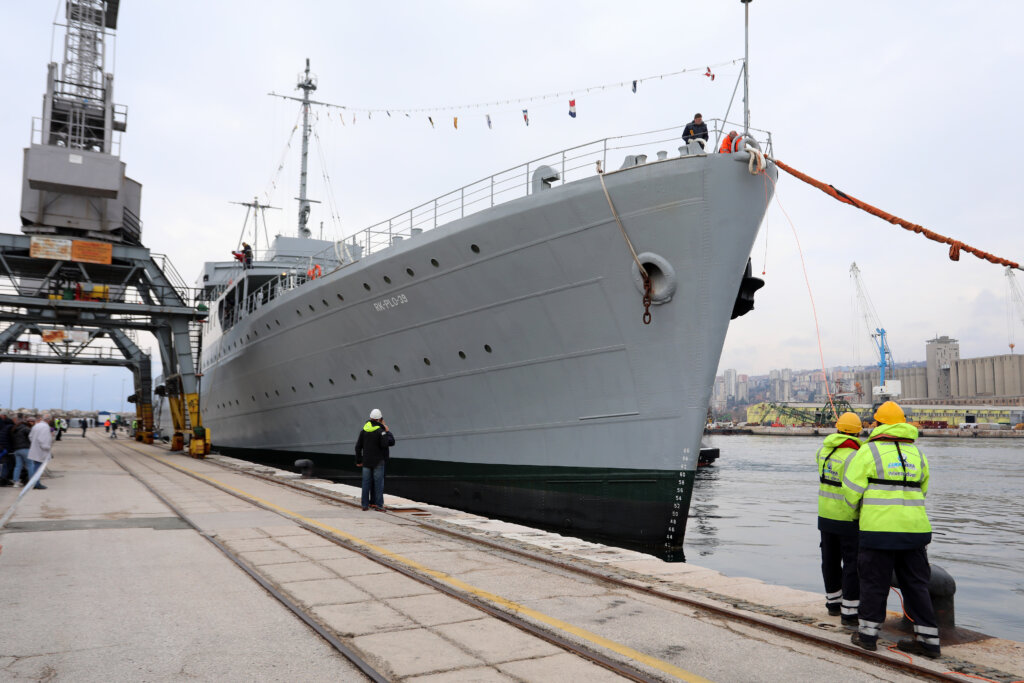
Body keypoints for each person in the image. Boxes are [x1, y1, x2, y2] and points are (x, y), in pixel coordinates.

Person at [844, 401, 940, 659]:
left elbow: (851, 492)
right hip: (915, 530)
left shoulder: (867, 452)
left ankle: (867, 636)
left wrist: (858, 514)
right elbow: (924, 490)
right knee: (917, 584)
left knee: (874, 583)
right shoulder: (917, 454)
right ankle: (929, 641)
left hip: (878, 531)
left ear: (878, 424)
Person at [815, 411, 863, 626]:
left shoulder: (822, 451)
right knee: (852, 563)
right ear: (857, 432)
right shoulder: (856, 455)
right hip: (848, 516)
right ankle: (850, 611)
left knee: (830, 560)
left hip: (825, 515)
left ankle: (833, 603)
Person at [354, 408, 395, 511]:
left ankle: (364, 505)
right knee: (378, 484)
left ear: (370, 418)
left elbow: (358, 447)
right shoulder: (380, 431)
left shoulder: (363, 431)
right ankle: (379, 505)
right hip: (378, 462)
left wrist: (359, 460)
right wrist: (387, 432)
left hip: (366, 462)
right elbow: (385, 444)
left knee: (365, 483)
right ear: (379, 419)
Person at [26, 414, 52, 490]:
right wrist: (47, 448)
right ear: (48, 420)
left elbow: (30, 436)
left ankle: (35, 483)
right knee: (38, 468)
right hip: (41, 450)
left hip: (35, 449)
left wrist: (34, 443)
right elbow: (43, 440)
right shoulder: (45, 427)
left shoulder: (36, 426)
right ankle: (36, 484)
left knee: (35, 466)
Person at [10, 414, 32, 486]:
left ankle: (16, 482)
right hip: (25, 449)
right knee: (30, 465)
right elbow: (31, 437)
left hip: (16, 450)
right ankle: (31, 481)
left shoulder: (14, 429)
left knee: (18, 466)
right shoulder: (26, 428)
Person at [0, 413, 13, 486]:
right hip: (4, 448)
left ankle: (3, 478)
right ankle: (3, 479)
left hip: (2, 447)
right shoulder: (9, 427)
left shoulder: (4, 427)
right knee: (5, 463)